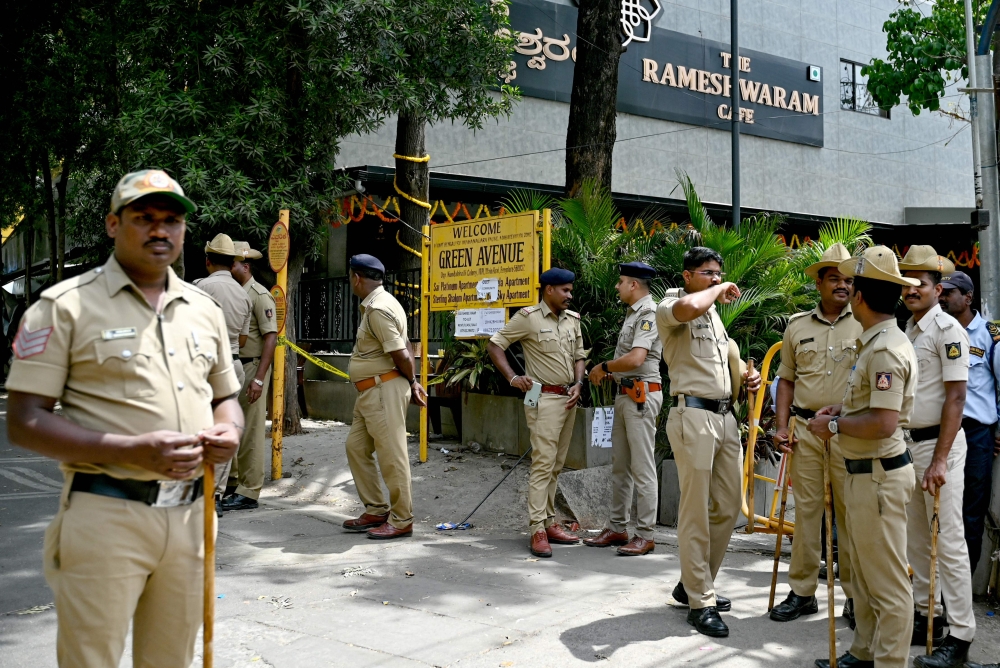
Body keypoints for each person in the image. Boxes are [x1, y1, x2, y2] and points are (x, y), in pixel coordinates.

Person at [5, 169, 243, 667]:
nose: (160, 230)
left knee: (171, 661)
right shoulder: (62, 308)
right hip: (106, 514)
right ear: (114, 225)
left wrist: (231, 430)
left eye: (172, 220)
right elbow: (24, 420)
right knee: (91, 660)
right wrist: (128, 450)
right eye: (144, 218)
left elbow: (227, 396)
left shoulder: (203, 309)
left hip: (190, 519)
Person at [808, 245, 918, 668]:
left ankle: (889, 662)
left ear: (858, 297)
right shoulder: (872, 341)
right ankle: (865, 651)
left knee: (887, 585)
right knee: (868, 577)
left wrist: (833, 426)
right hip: (863, 474)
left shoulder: (885, 348)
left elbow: (885, 423)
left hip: (878, 476)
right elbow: (871, 409)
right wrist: (843, 412)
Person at [655, 246, 761, 638]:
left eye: (718, 273)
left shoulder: (716, 319)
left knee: (730, 505)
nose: (716, 279)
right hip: (692, 416)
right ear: (687, 276)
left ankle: (693, 581)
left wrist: (744, 381)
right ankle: (701, 599)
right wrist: (717, 291)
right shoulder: (669, 304)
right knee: (696, 508)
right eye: (707, 273)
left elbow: (726, 368)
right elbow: (687, 310)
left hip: (724, 417)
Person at [770, 243, 861, 624]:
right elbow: (786, 380)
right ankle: (803, 592)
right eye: (834, 279)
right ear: (820, 283)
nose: (842, 285)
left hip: (850, 431)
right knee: (806, 513)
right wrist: (780, 424)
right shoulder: (797, 326)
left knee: (851, 514)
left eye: (848, 280)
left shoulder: (866, 323)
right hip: (805, 430)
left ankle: (857, 598)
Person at [898, 246, 974, 668]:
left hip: (939, 447)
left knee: (948, 542)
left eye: (919, 284)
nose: (911, 289)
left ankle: (960, 637)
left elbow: (956, 396)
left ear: (937, 288)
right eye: (906, 283)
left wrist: (940, 459)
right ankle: (928, 615)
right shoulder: (908, 330)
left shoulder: (947, 330)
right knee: (916, 540)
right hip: (909, 446)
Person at [488, 268, 587, 559]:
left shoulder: (573, 319)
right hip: (541, 398)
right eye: (565, 290)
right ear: (548, 290)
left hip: (568, 398)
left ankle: (549, 521)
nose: (570, 295)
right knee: (543, 463)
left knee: (556, 463)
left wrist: (579, 383)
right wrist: (512, 377)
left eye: (570, 290)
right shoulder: (528, 318)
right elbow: (495, 344)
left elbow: (580, 356)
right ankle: (537, 529)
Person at [341, 254, 427, 540]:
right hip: (371, 392)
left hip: (382, 390)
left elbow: (401, 353)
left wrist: (413, 382)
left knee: (392, 456)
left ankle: (402, 519)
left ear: (357, 277)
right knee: (356, 447)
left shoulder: (377, 309)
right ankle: (377, 509)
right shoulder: (381, 304)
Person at [584, 262, 663, 556]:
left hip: (641, 396)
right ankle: (618, 528)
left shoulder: (648, 314)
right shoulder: (633, 313)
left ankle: (646, 534)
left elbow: (636, 359)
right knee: (621, 467)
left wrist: (603, 367)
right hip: (626, 395)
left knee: (642, 468)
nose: (616, 287)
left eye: (620, 282)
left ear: (633, 285)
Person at [938, 270, 1000, 577]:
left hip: (976, 434)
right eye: (942, 292)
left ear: (968, 297)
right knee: (938, 511)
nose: (943, 297)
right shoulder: (938, 331)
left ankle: (960, 589)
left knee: (970, 514)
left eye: (949, 292)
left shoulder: (991, 335)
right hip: (940, 433)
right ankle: (936, 587)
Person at [192, 233, 253, 506]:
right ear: (232, 263)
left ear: (208, 261)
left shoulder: (199, 289)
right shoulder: (244, 295)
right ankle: (215, 494)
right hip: (234, 364)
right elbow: (241, 340)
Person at [220, 241, 278, 512]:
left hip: (253, 367)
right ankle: (233, 482)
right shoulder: (234, 293)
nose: (229, 268)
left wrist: (259, 378)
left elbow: (271, 337)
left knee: (252, 430)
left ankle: (249, 490)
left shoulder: (259, 294)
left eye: (232, 263)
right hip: (235, 365)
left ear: (245, 266)